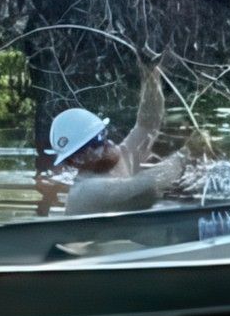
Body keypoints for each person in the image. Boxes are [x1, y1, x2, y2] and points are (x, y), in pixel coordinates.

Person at [49, 54, 185, 217]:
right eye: (98, 139)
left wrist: (150, 74)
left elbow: (147, 124)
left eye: (103, 133)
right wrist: (186, 155)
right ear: (77, 159)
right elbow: (148, 182)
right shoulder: (85, 191)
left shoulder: (117, 160)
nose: (107, 141)